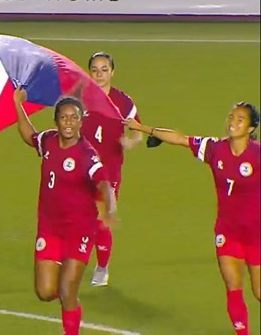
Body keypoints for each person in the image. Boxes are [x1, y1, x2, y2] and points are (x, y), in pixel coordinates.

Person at [124, 102, 260, 334]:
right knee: (233, 286)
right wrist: (144, 128)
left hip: (256, 234)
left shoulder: (257, 154)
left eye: (240, 120)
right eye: (231, 117)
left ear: (250, 128)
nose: (232, 122)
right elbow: (181, 139)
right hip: (227, 231)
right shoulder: (215, 148)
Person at [13, 86, 117, 335]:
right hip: (49, 228)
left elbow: (103, 182)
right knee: (46, 292)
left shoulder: (87, 155)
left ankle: (71, 329)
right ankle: (69, 301)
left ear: (81, 121)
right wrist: (18, 105)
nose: (68, 122)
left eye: (74, 117)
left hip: (79, 231)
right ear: (56, 121)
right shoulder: (48, 141)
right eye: (63, 117)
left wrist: (109, 209)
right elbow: (30, 136)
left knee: (68, 291)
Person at [82, 52, 143, 286]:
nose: (99, 74)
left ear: (112, 72)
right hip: (82, 168)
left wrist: (132, 141)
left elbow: (137, 128)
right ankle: (77, 259)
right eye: (95, 70)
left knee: (101, 220)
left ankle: (102, 266)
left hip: (108, 171)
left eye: (104, 69)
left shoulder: (123, 101)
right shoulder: (80, 97)